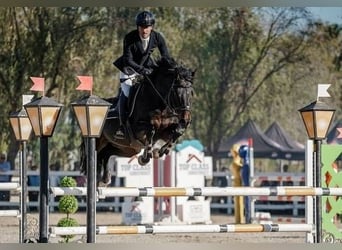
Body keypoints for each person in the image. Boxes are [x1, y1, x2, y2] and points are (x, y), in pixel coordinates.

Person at [113, 10, 170, 138]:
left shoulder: (157, 37)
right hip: (128, 70)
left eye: (147, 27)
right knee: (128, 93)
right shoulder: (130, 37)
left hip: (146, 67)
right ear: (137, 27)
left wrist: (168, 69)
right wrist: (142, 70)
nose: (144, 30)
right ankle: (122, 126)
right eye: (141, 27)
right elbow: (128, 59)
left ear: (152, 27)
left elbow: (166, 56)